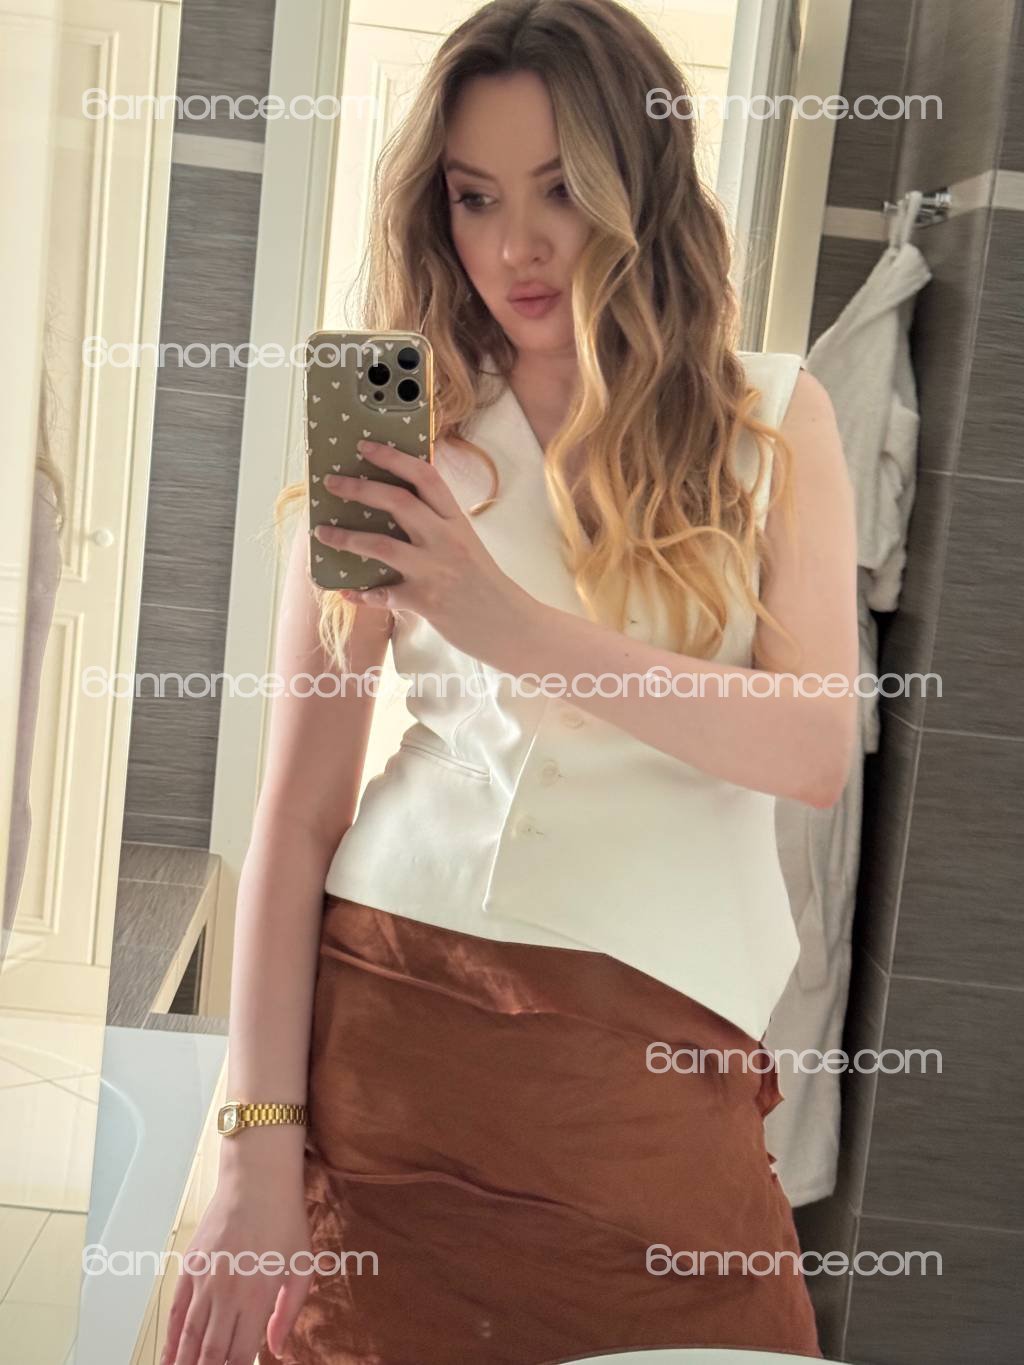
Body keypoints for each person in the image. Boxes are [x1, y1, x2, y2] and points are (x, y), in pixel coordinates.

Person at [159, 2, 857, 1362]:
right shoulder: (383, 411)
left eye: (560, 191)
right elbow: (297, 814)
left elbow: (811, 749)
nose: (515, 246)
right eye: (475, 197)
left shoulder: (772, 417)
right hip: (393, 1036)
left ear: (639, 188)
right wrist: (254, 1149)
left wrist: (506, 620)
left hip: (655, 1084)